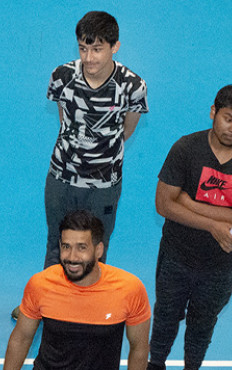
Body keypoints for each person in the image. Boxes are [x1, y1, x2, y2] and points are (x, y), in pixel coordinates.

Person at [149, 85, 232, 370]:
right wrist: (215, 223)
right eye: (228, 118)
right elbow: (164, 205)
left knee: (203, 324)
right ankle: (155, 364)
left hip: (219, 264)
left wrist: (188, 202)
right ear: (213, 112)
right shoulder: (186, 149)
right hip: (176, 255)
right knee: (165, 317)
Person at [42, 10, 148, 268]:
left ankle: (88, 306)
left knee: (96, 248)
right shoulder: (62, 76)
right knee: (58, 243)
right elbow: (65, 120)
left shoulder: (133, 86)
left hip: (104, 184)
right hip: (61, 177)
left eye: (97, 50)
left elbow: (126, 130)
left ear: (115, 47)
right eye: (83, 49)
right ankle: (51, 306)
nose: (89, 58)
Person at [4, 210, 150, 370]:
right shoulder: (41, 284)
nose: (72, 257)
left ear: (99, 250)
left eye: (82, 248)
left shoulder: (129, 289)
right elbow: (21, 339)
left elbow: (139, 348)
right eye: (66, 246)